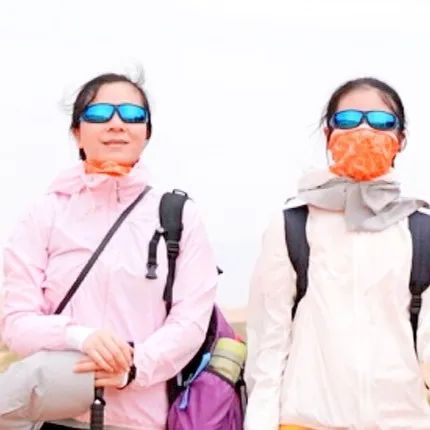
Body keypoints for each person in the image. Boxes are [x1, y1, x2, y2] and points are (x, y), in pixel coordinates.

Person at [0, 72, 218, 429]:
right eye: (100, 113)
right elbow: (17, 323)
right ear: (77, 132)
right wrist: (80, 337)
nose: (116, 124)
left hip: (142, 419)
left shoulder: (178, 217)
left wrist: (133, 366)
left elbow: (190, 321)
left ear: (146, 132)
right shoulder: (44, 214)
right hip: (55, 415)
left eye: (132, 114)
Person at [245, 77, 430, 430]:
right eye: (348, 120)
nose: (364, 130)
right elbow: (268, 348)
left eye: (381, 122)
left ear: (401, 140)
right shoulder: (293, 224)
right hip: (306, 422)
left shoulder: (421, 230)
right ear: (329, 134)